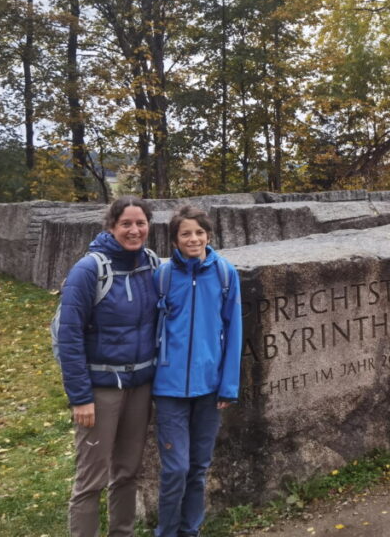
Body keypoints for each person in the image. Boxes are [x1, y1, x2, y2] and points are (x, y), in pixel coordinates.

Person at [56, 196, 159, 537]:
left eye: (140, 223)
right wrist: (80, 397)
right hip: (101, 389)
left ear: (149, 225)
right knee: (91, 479)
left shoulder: (152, 264)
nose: (134, 230)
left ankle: (122, 533)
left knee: (127, 471)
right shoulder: (89, 270)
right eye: (126, 224)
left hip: (140, 385)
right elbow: (69, 335)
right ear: (112, 226)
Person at [153, 205, 242, 537]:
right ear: (175, 239)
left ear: (209, 235)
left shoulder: (224, 273)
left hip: (209, 386)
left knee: (199, 468)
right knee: (175, 469)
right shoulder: (162, 275)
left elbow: (234, 330)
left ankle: (191, 531)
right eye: (185, 233)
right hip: (168, 388)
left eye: (199, 233)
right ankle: (167, 531)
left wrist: (228, 385)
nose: (193, 239)